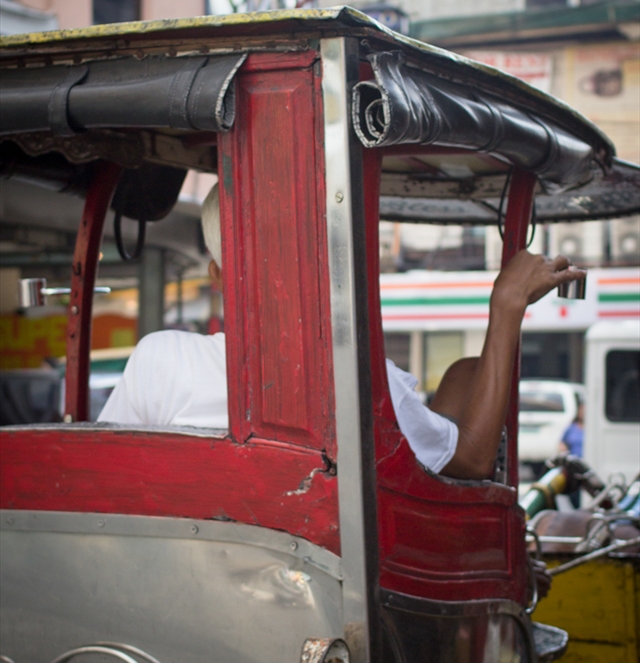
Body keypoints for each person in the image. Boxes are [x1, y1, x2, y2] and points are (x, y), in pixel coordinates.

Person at [100, 184, 587, 483]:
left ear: (217, 274)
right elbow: (474, 461)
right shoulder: (360, 378)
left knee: (465, 375)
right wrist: (506, 307)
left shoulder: (160, 358)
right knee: (465, 376)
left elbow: (104, 477)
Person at [559, 402, 585, 508]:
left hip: (587, 465)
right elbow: (562, 443)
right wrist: (565, 454)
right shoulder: (571, 428)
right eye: (582, 410)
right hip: (574, 466)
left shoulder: (592, 429)